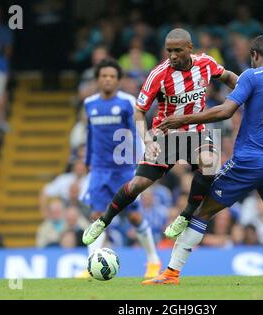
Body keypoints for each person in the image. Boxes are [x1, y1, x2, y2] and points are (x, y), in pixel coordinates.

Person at [143, 34, 263, 288]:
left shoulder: (251, 76)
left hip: (248, 162)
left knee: (202, 211)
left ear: (254, 56)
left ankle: (171, 273)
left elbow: (226, 111)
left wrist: (183, 120)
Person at [82, 28, 237, 248]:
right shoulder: (159, 74)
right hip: (167, 137)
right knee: (138, 185)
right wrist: (147, 140)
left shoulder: (205, 63)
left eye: (177, 50)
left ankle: (185, 215)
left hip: (196, 132)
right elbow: (139, 111)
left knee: (211, 162)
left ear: (189, 49)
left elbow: (229, 77)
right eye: (169, 51)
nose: (172, 55)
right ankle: (103, 220)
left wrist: (246, 89)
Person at [80, 58, 161, 278]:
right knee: (96, 216)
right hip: (98, 169)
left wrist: (141, 156)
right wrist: (87, 160)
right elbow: (90, 134)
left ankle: (153, 259)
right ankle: (92, 265)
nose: (108, 79)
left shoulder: (127, 102)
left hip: (123, 169)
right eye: (104, 76)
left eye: (112, 76)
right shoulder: (90, 104)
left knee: (134, 216)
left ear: (118, 80)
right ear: (98, 79)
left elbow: (136, 131)